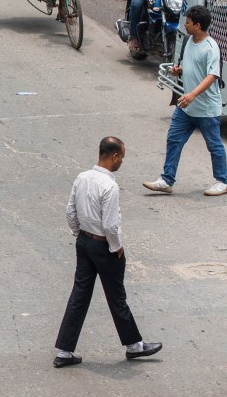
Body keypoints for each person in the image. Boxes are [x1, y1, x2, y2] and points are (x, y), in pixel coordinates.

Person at [53, 136, 163, 368]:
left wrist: (79, 235)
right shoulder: (109, 186)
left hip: (84, 242)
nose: (122, 161)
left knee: (79, 296)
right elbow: (111, 225)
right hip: (104, 246)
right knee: (117, 297)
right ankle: (134, 345)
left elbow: (70, 211)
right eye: (121, 156)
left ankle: (64, 351)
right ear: (114, 156)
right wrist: (116, 247)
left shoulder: (82, 177)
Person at [143, 5, 227, 197]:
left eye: (188, 22)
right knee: (174, 139)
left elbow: (212, 76)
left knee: (214, 145)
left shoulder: (211, 47)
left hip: (206, 108)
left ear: (198, 25)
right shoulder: (190, 40)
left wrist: (192, 95)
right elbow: (190, 65)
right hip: (186, 107)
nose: (185, 25)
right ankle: (166, 180)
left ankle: (222, 181)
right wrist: (179, 70)